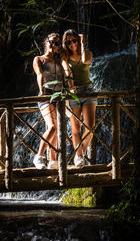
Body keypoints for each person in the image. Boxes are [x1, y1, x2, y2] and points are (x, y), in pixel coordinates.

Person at [32, 32, 73, 169]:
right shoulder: (39, 59)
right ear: (45, 42)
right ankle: (39, 156)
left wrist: (70, 89)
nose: (54, 45)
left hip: (59, 96)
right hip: (46, 94)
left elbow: (65, 76)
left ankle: (53, 160)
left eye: (57, 43)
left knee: (56, 128)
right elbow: (40, 75)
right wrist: (43, 92)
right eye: (52, 42)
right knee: (53, 127)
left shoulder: (59, 61)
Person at [62, 29, 97, 167]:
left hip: (88, 90)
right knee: (75, 128)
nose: (72, 44)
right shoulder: (64, 56)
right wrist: (71, 87)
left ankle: (80, 151)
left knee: (90, 127)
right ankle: (79, 157)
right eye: (68, 42)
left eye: (74, 40)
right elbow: (66, 70)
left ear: (78, 40)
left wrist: (82, 43)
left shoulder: (87, 53)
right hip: (73, 93)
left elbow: (84, 60)